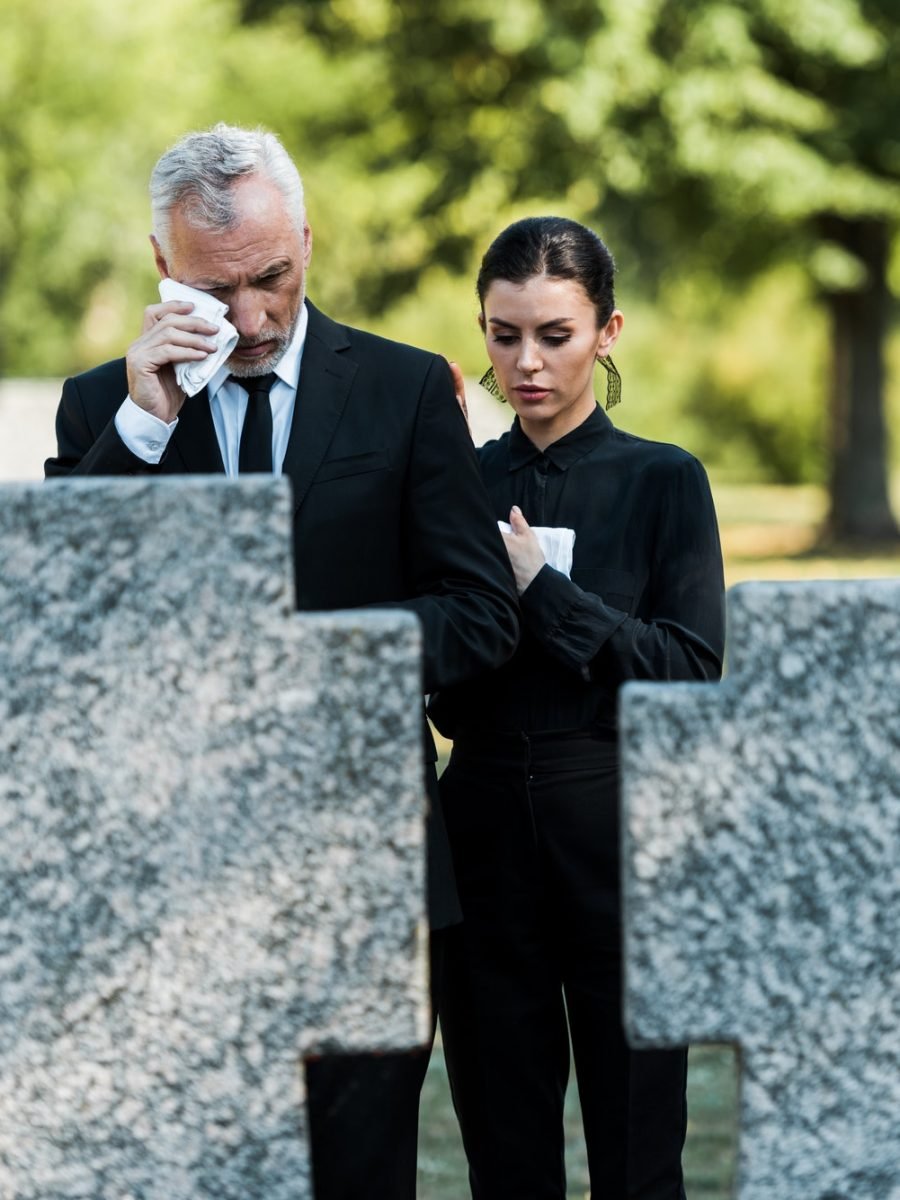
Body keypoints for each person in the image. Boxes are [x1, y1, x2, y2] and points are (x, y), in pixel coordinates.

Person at [44, 122, 520, 1200]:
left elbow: (481, 615)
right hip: (167, 871)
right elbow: (63, 626)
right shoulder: (100, 414)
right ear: (165, 268)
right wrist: (143, 428)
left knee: (359, 1177)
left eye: (274, 278)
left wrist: (322, 664)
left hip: (364, 864)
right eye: (221, 291)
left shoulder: (406, 391)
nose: (254, 319)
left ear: (308, 239)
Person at [430, 216, 726, 1199]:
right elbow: (435, 675)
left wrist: (544, 596)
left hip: (624, 842)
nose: (525, 361)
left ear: (608, 332)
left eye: (554, 335)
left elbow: (689, 667)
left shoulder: (663, 480)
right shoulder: (459, 483)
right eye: (502, 334)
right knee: (505, 1158)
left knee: (641, 1157)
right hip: (481, 846)